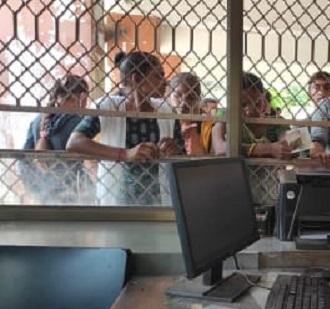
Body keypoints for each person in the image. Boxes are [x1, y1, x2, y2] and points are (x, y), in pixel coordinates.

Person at [67, 51, 182, 205]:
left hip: (159, 203)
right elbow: (74, 143)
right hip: (116, 203)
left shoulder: (166, 111)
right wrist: (125, 154)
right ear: (137, 79)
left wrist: (175, 150)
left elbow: (181, 153)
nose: (164, 82)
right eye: (158, 76)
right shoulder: (108, 107)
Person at [211, 72, 291, 159]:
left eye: (257, 103)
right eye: (243, 105)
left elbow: (286, 147)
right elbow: (220, 148)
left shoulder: (276, 123)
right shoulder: (227, 115)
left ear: (263, 97)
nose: (250, 111)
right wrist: (268, 149)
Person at [23, 75, 89, 151]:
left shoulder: (37, 120)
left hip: (42, 162)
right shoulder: (78, 122)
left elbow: (24, 157)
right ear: (80, 97)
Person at [167, 72, 213, 155]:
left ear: (198, 100)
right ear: (169, 97)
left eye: (190, 97)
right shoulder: (166, 122)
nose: (184, 103)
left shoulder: (206, 125)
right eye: (177, 95)